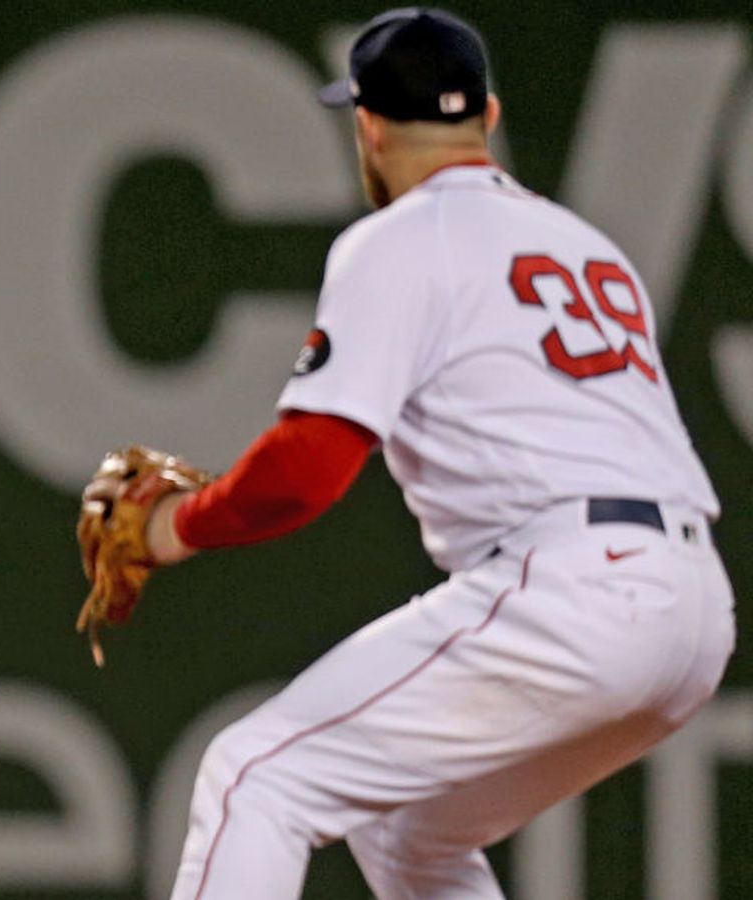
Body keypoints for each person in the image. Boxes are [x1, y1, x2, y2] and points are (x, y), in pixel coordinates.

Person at [125, 9, 735, 898]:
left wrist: (171, 527)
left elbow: (308, 468)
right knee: (407, 831)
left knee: (255, 775)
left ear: (366, 124)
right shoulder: (587, 245)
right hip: (693, 606)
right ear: (486, 117)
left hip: (573, 586)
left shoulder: (399, 239)